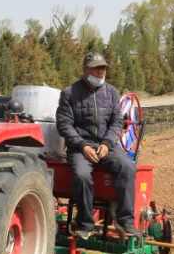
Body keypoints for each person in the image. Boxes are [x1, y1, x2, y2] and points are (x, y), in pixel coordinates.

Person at [55, 52, 137, 239]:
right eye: (96, 67)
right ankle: (85, 223)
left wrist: (107, 143)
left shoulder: (111, 92)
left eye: (103, 68)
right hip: (80, 146)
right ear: (85, 69)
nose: (101, 71)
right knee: (81, 175)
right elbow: (64, 124)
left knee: (127, 168)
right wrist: (83, 146)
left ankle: (125, 220)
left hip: (106, 144)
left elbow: (117, 122)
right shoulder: (70, 93)